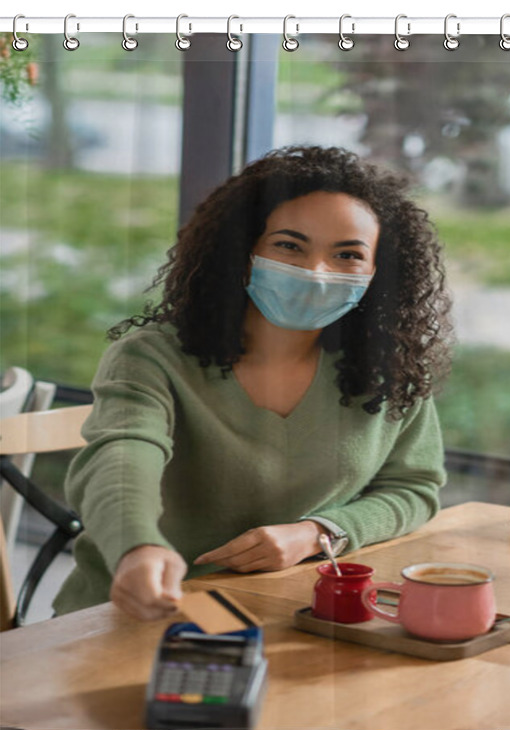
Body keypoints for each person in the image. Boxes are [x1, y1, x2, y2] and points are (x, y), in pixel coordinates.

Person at [52, 145, 453, 621]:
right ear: (243, 251)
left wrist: (318, 533)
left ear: (377, 273)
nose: (315, 271)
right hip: (131, 616)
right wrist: (136, 546)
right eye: (289, 245)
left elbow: (414, 488)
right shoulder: (152, 356)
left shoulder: (389, 368)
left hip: (289, 614)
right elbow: (120, 459)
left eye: (347, 254)